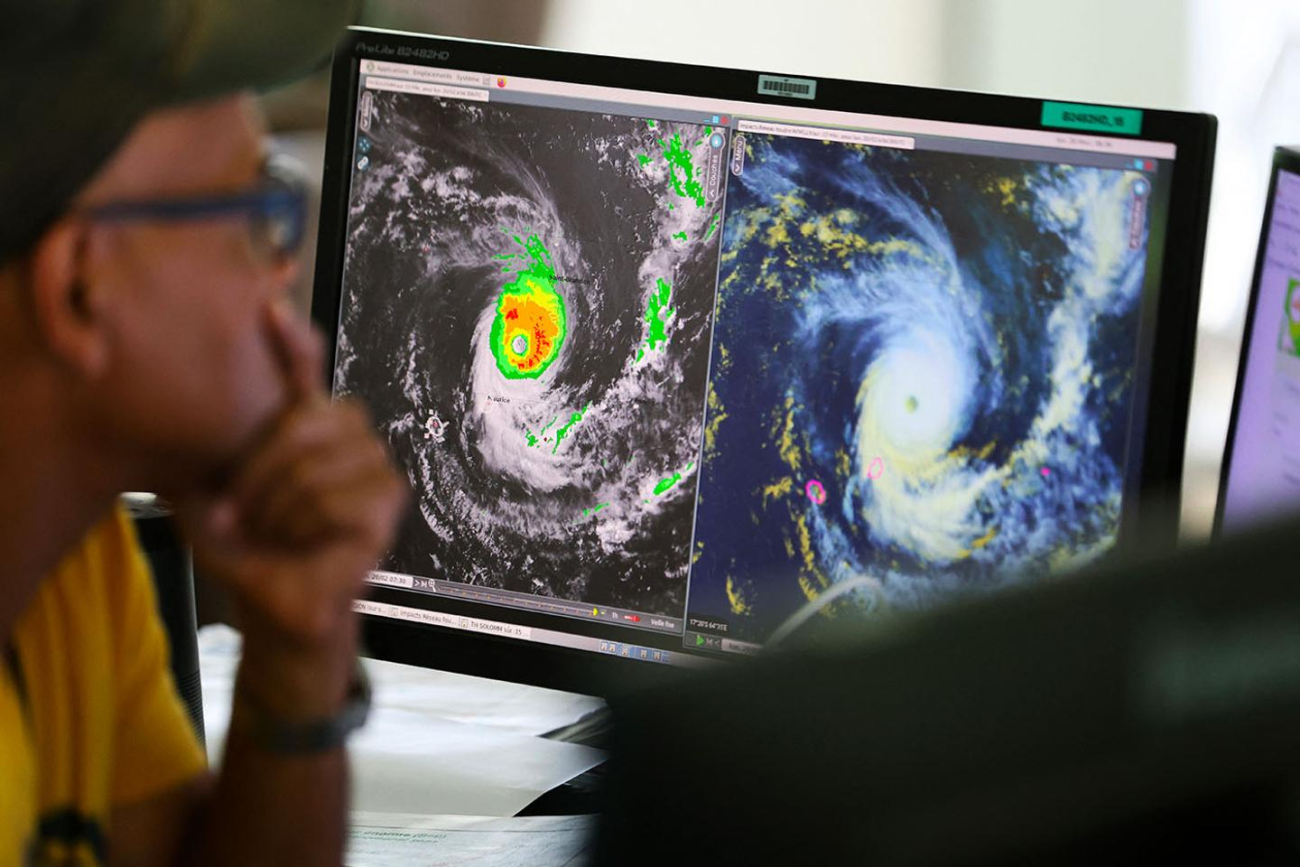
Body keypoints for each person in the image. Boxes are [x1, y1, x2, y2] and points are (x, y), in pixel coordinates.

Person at [0, 1, 408, 864]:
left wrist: (297, 658)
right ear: (78, 288)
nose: (281, 272)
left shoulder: (69, 572)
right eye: (255, 212)